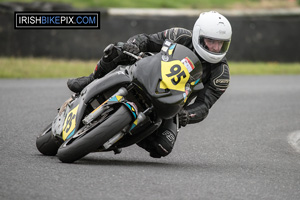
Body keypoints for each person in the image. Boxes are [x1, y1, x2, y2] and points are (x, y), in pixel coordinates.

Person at [67, 11, 232, 158]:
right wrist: (134, 46)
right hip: (147, 72)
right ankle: (91, 79)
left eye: (221, 44)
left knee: (163, 147)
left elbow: (204, 106)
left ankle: (123, 133)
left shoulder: (221, 75)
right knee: (117, 49)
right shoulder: (179, 35)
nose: (216, 48)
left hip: (172, 102)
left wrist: (187, 115)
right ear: (198, 35)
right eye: (211, 41)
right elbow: (146, 40)